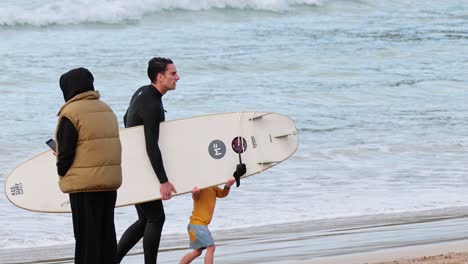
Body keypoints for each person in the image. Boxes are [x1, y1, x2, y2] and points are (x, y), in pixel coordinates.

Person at [55, 67, 122, 264]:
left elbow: (66, 152)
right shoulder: (106, 108)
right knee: (106, 234)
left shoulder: (71, 112)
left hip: (84, 186)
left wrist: (60, 167)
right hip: (108, 184)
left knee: (86, 239)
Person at [117, 57, 179, 264]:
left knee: (145, 219)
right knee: (156, 218)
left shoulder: (142, 92)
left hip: (133, 165)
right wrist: (163, 180)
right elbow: (151, 144)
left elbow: (127, 119)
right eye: (173, 73)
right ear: (159, 77)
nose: (177, 77)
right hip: (142, 168)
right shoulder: (152, 104)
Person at [179, 178, 236, 264]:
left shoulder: (213, 187)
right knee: (211, 248)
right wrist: (195, 193)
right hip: (198, 225)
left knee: (197, 251)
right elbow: (195, 196)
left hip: (194, 225)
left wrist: (227, 186)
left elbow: (223, 194)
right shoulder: (201, 186)